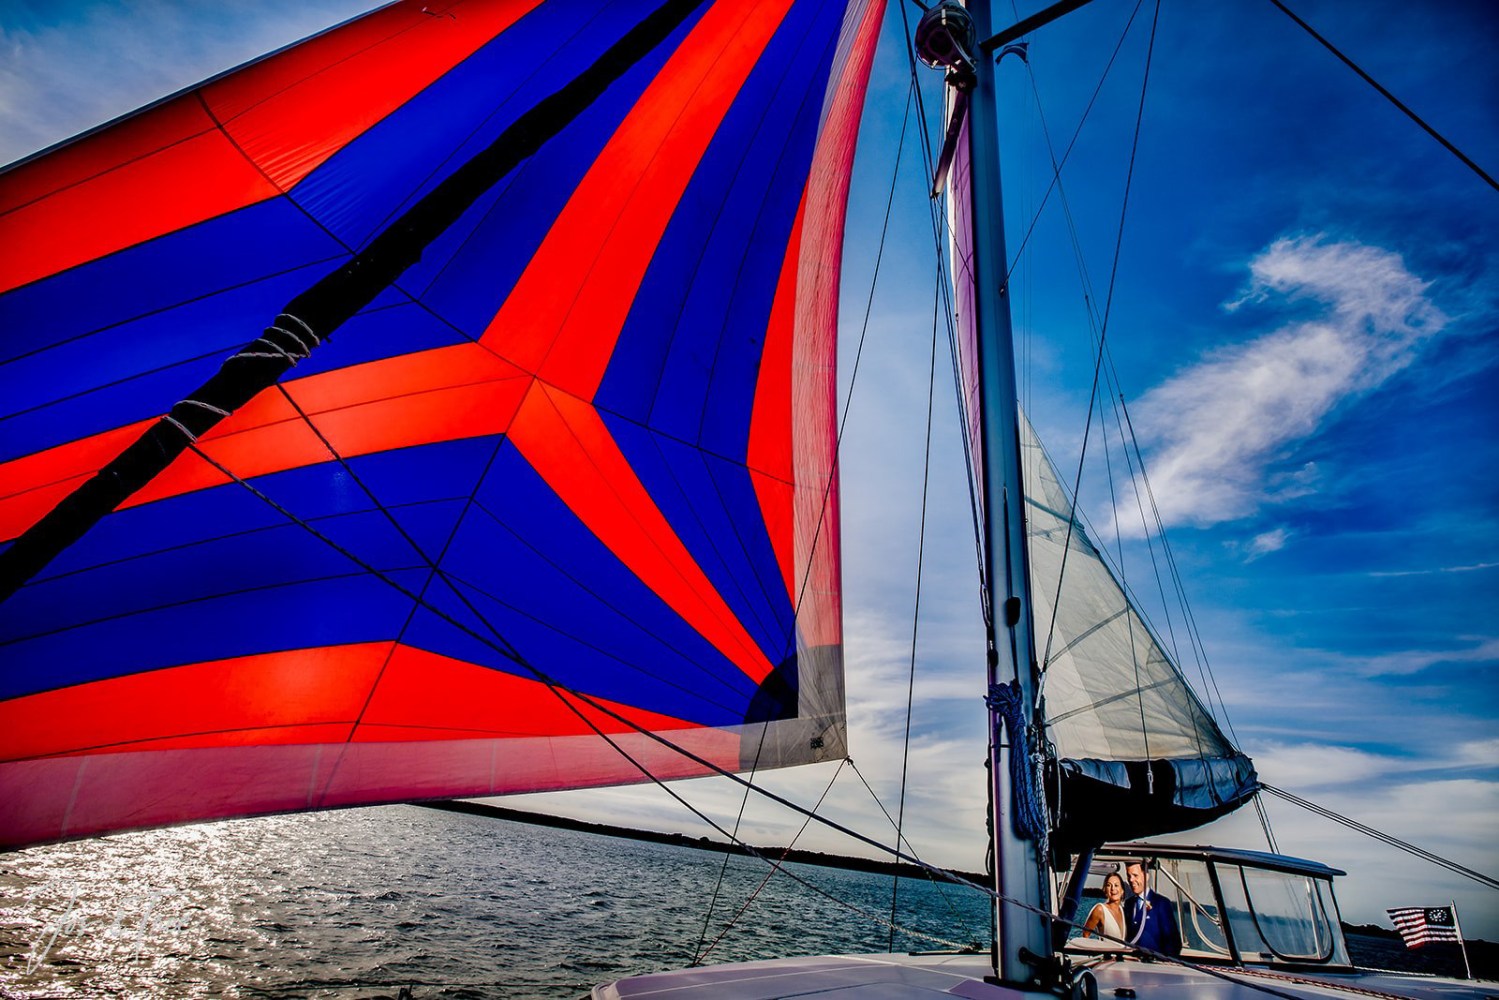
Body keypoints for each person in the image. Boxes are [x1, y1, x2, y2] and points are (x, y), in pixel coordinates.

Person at [1125, 860, 1181, 957]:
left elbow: (1173, 943)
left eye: (1135, 875)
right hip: (1131, 964)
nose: (1131, 880)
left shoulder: (1161, 903)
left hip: (1155, 965)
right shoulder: (1129, 904)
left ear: (1146, 876)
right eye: (1128, 876)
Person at [1082, 872, 1127, 942]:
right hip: (1105, 952)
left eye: (1116, 885)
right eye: (1109, 885)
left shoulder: (1122, 910)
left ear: (1122, 891)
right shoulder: (1100, 909)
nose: (1113, 888)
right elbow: (1085, 934)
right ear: (1105, 890)